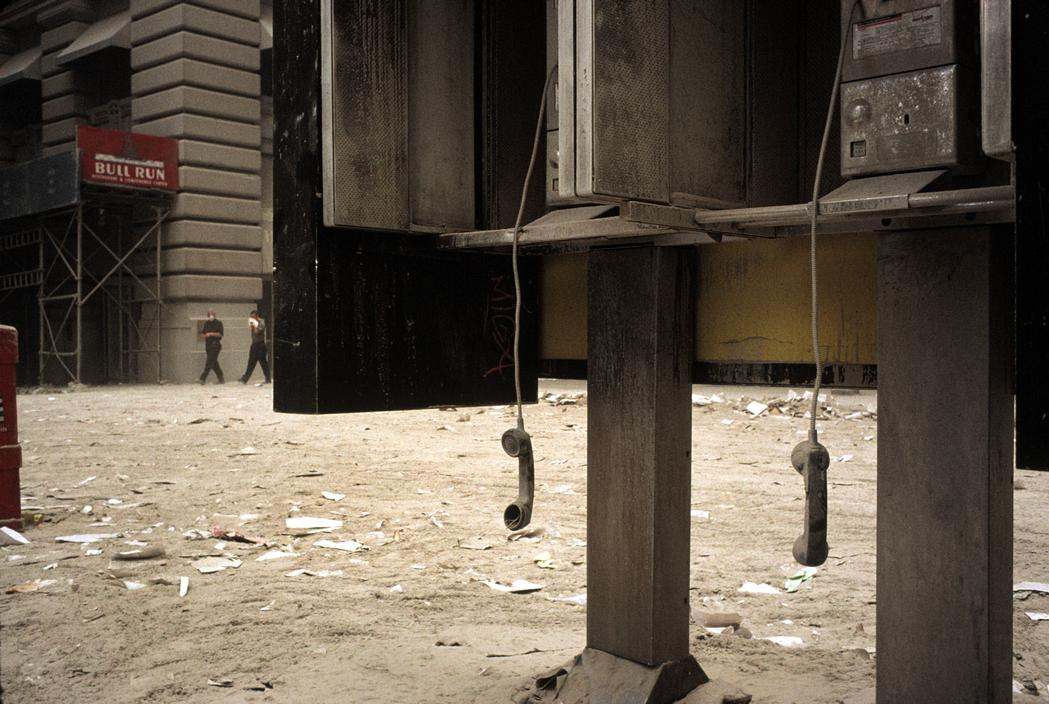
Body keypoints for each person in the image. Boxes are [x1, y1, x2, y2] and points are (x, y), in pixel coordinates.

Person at [239, 310, 271, 384]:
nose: (251, 318)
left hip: (261, 345)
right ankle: (245, 379)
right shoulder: (253, 323)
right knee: (251, 362)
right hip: (254, 345)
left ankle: (268, 378)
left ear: (257, 316)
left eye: (253, 317)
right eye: (251, 317)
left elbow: (257, 332)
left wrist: (253, 325)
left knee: (263, 362)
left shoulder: (261, 322)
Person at [199, 309, 224, 384]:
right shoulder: (206, 323)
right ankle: (221, 378)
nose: (211, 316)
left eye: (212, 314)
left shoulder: (219, 323)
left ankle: (202, 378)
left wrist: (211, 334)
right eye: (209, 314)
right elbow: (202, 333)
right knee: (213, 362)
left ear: (215, 315)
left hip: (215, 344)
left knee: (209, 361)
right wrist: (205, 335)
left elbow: (220, 334)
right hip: (208, 345)